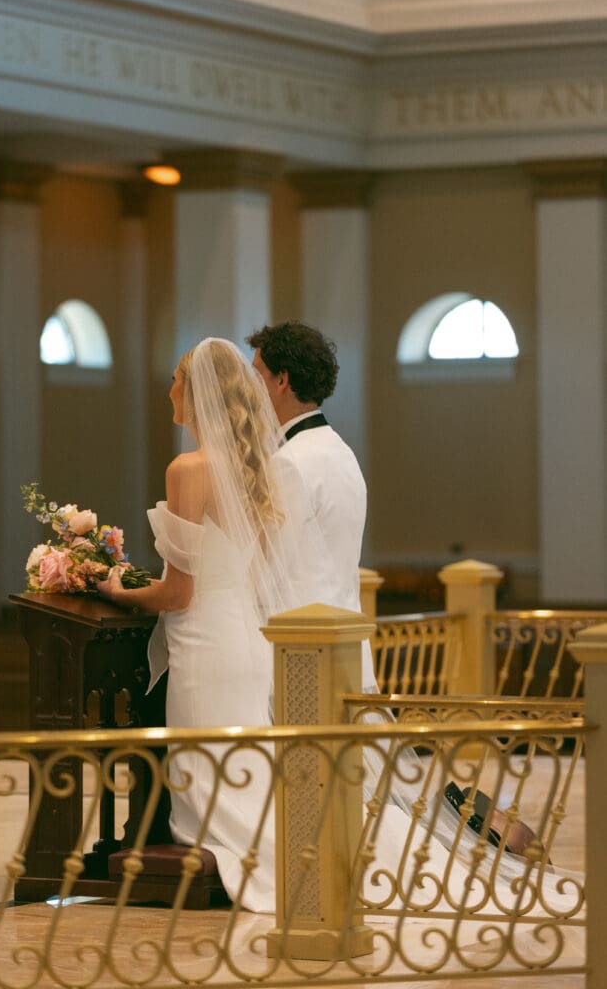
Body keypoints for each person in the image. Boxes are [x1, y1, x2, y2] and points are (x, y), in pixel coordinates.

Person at [97, 336, 303, 911]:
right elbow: (246, 573)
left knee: (214, 794)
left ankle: (268, 865)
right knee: (245, 769)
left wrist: (117, 589)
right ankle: (301, 857)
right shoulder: (252, 469)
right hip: (243, 640)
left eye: (175, 380)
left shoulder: (189, 468)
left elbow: (179, 592)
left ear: (197, 392)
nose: (169, 390)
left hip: (205, 649)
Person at [247, 321, 376, 690]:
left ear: (281, 380)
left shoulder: (288, 462)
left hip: (301, 642)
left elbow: (271, 567)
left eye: (257, 373)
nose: (249, 387)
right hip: (346, 632)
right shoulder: (341, 451)